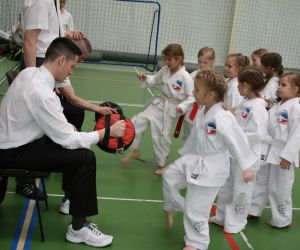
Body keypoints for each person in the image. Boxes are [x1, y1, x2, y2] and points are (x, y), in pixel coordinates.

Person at [0, 37, 126, 247]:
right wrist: (107, 132)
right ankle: (79, 228)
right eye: (72, 66)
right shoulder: (42, 93)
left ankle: (71, 202)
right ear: (61, 60)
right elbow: (68, 140)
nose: (71, 72)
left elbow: (53, 124)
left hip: (13, 142)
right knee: (84, 158)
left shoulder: (30, 73)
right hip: (13, 151)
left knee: (72, 143)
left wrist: (67, 130)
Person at [162, 70, 255, 250]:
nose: (193, 93)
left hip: (211, 168)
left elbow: (237, 140)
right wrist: (185, 153)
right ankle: (173, 205)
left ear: (211, 94)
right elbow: (197, 137)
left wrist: (246, 167)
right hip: (195, 159)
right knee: (169, 176)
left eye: (196, 90)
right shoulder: (204, 110)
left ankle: (197, 243)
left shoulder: (222, 117)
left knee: (195, 209)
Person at [16, 0, 83, 199]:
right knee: (31, 124)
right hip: (37, 65)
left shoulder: (53, 3)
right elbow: (30, 41)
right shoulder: (42, 0)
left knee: (73, 112)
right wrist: (31, 78)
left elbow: (49, 35)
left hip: (46, 64)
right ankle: (24, 180)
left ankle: (56, 160)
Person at [210, 66, 269, 233]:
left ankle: (236, 222)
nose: (236, 87)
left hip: (248, 158)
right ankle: (221, 217)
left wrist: (236, 136)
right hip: (234, 154)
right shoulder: (245, 103)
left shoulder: (258, 107)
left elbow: (258, 133)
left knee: (242, 192)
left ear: (246, 85)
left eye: (239, 85)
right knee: (226, 187)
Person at [122, 44, 194, 175]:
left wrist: (182, 106)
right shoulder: (165, 70)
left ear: (179, 59)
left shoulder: (185, 77)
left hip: (170, 109)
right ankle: (135, 149)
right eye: (165, 59)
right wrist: (145, 77)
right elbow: (155, 79)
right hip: (158, 103)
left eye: (169, 60)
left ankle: (161, 164)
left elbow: (192, 97)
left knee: (160, 136)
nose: (166, 62)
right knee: (137, 121)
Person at [249, 72, 300, 228]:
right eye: (279, 84)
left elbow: (297, 134)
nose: (279, 87)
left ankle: (282, 219)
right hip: (269, 149)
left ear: (296, 89)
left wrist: (288, 156)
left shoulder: (296, 107)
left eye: (283, 85)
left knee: (280, 188)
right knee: (261, 182)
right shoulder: (281, 104)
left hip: (283, 153)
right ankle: (253, 209)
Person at [248, 52, 283, 218]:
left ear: (271, 68)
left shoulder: (274, 83)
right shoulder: (267, 81)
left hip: (270, 136)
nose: (259, 66)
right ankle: (254, 208)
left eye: (262, 64)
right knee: (260, 174)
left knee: (265, 175)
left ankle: (257, 209)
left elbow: (265, 101)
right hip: (265, 132)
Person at [181, 47, 215, 140]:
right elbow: (186, 91)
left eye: (205, 62)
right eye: (199, 62)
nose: (201, 65)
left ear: (212, 62)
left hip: (205, 112)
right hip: (191, 111)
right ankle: (186, 154)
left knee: (200, 137)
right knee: (187, 137)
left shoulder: (215, 78)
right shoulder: (192, 75)